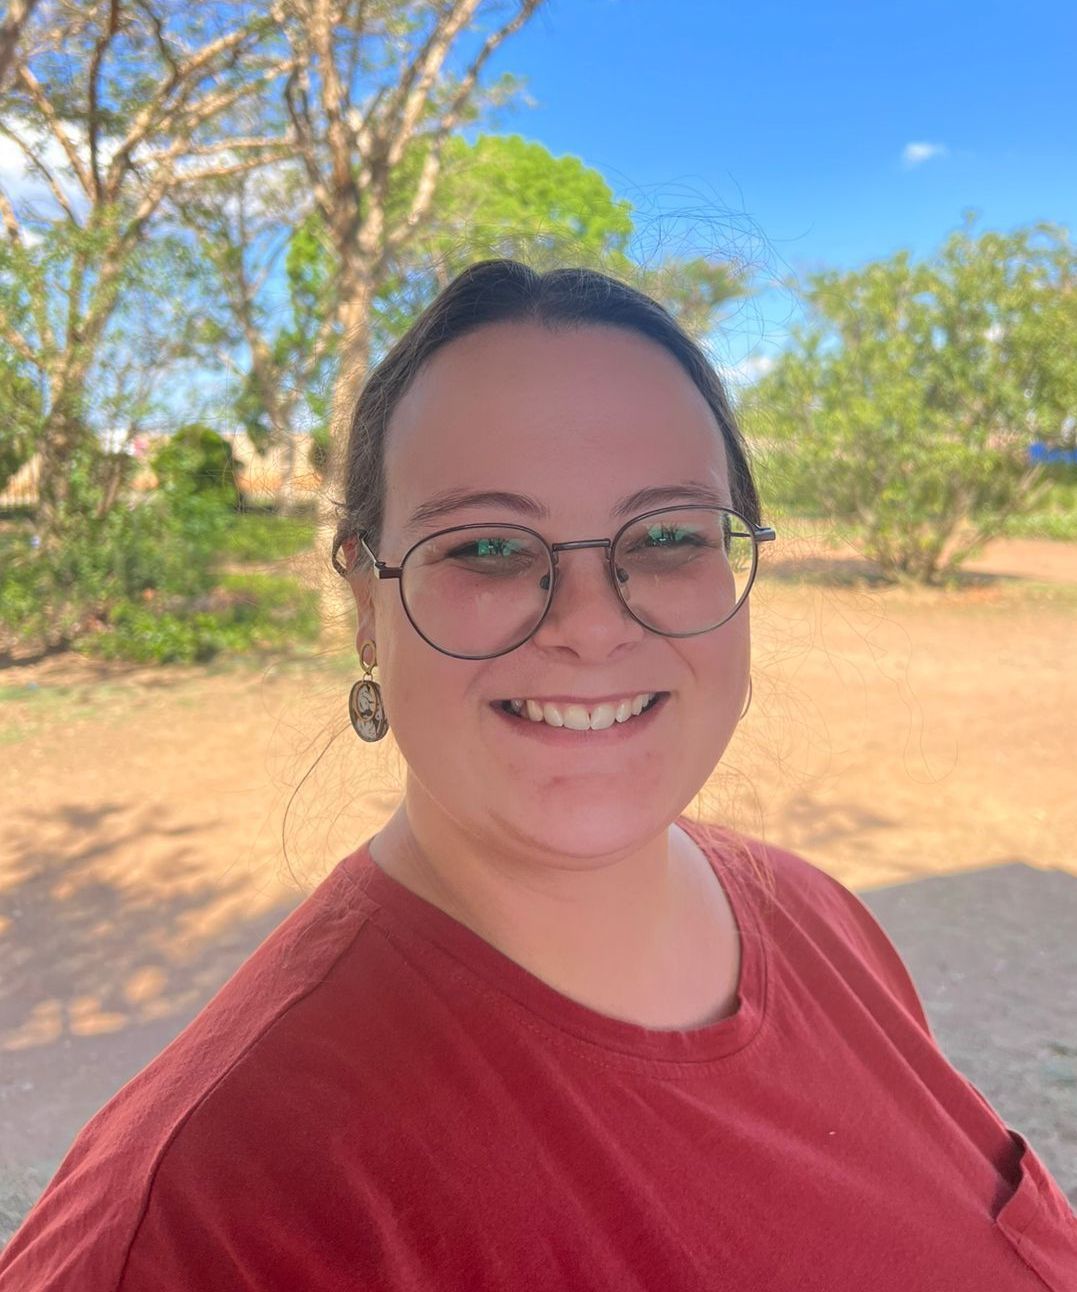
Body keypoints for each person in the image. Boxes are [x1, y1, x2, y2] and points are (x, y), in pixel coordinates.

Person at [1, 260, 1074, 1291]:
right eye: (487, 548)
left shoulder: (830, 923)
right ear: (366, 605)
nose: (591, 623)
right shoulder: (207, 1210)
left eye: (664, 533)